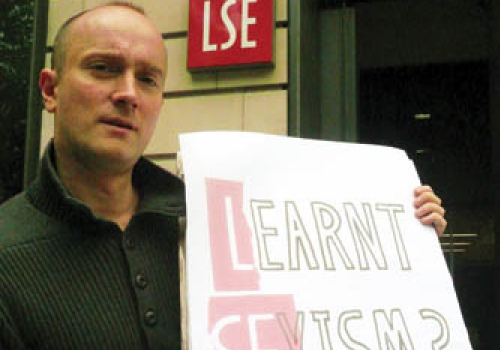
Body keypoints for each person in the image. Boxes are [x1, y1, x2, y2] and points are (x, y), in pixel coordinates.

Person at [0, 2, 447, 350]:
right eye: (104, 68)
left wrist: (408, 240)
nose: (128, 94)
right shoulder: (8, 258)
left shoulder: (214, 223)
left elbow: (331, 305)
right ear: (51, 89)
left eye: (149, 79)